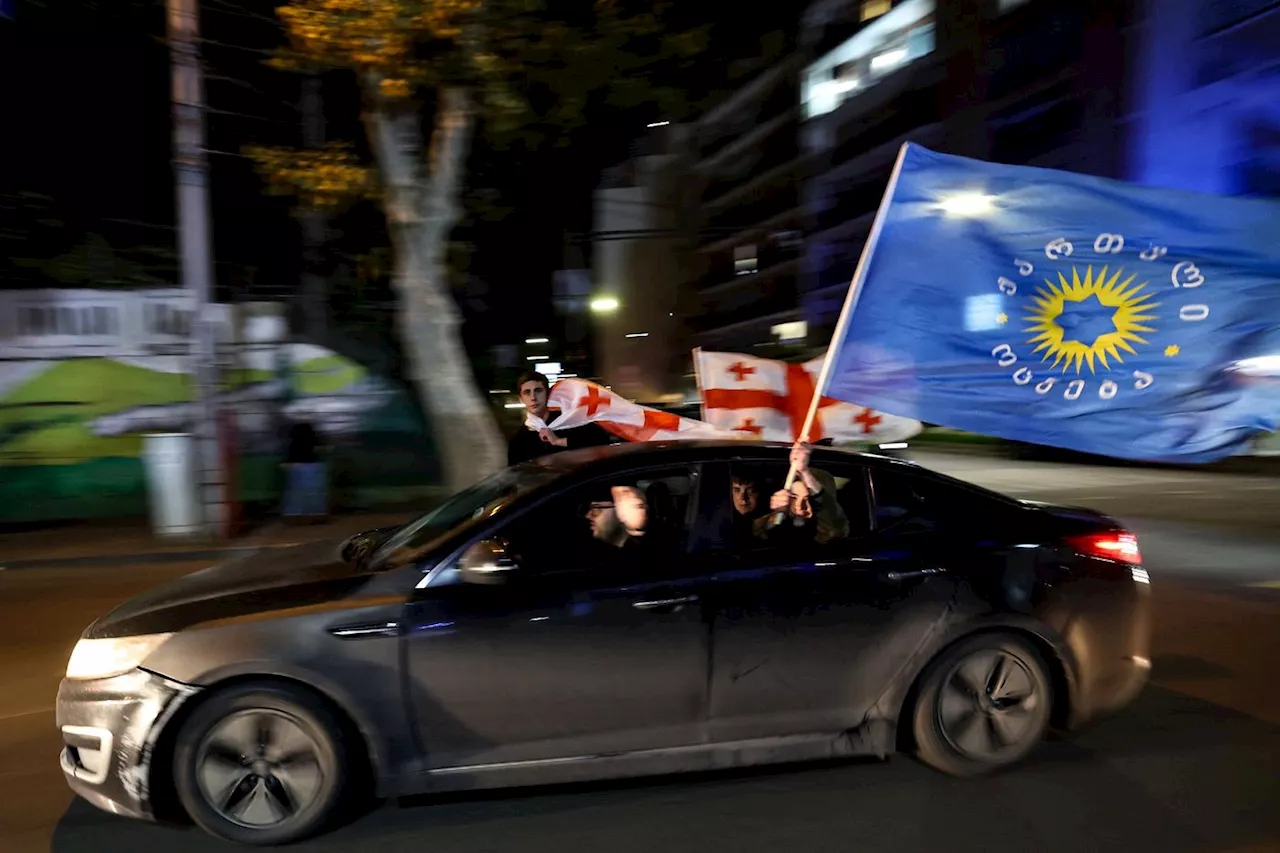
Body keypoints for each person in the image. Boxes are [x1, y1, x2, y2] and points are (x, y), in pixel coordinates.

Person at [507, 371, 614, 465]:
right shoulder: (519, 441)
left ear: (548, 394)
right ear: (521, 399)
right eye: (527, 393)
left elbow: (602, 440)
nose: (533, 398)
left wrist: (560, 441)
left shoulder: (568, 420)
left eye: (538, 390)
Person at [756, 442, 849, 546]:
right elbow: (761, 537)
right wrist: (779, 514)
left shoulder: (832, 526)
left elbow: (834, 529)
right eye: (794, 497)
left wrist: (804, 471)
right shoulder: (765, 523)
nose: (800, 507)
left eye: (808, 498)